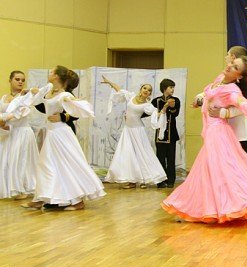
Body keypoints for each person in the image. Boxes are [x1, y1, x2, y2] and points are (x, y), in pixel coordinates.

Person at [162, 56, 247, 223]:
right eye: (232, 64)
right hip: (212, 132)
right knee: (210, 170)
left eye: (235, 67)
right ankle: (210, 207)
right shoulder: (219, 80)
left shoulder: (233, 91)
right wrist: (200, 100)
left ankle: (239, 204)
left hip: (219, 132)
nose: (229, 66)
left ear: (239, 76)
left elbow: (245, 108)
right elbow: (208, 95)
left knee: (221, 170)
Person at [20, 66, 105, 211]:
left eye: (52, 72)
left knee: (67, 165)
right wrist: (32, 92)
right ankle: (41, 198)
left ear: (57, 77)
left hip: (62, 134)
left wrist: (65, 111)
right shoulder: (49, 90)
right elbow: (41, 101)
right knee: (46, 165)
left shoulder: (64, 95)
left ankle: (77, 201)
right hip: (52, 133)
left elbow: (77, 110)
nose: (50, 73)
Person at [100, 76, 167, 189]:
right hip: (128, 130)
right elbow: (119, 89)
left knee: (142, 154)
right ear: (141, 89)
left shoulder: (147, 105)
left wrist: (164, 109)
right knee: (128, 155)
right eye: (145, 88)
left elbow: (156, 114)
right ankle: (132, 181)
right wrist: (109, 82)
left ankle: (144, 179)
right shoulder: (131, 96)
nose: (146, 90)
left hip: (138, 131)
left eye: (149, 90)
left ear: (149, 94)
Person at [0, 71, 37, 199]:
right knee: (7, 160)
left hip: (22, 132)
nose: (20, 82)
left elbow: (19, 114)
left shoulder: (25, 96)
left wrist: (3, 120)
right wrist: (2, 124)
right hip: (8, 132)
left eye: (22, 80)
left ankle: (23, 188)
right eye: (17, 79)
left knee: (21, 160)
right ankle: (9, 187)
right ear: (10, 80)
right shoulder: (4, 97)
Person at [151, 78, 180, 188]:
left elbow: (175, 113)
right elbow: (148, 112)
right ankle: (160, 181)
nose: (172, 89)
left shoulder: (175, 100)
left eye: (173, 87)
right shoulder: (156, 101)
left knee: (171, 159)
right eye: (171, 87)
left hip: (171, 135)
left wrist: (171, 107)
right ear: (164, 88)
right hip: (160, 135)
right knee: (160, 158)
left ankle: (171, 180)